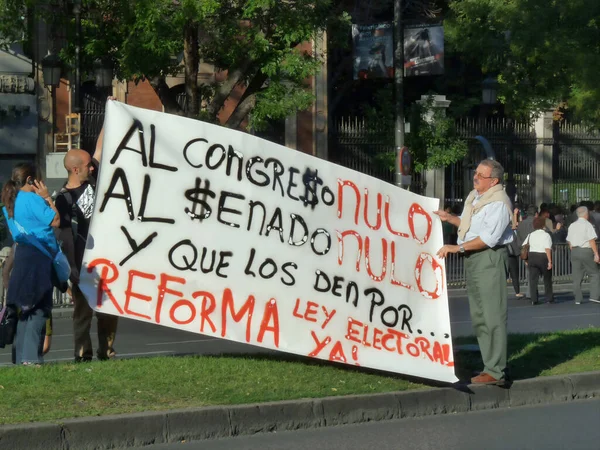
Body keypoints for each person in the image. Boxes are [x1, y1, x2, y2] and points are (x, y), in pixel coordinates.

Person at [435, 159, 513, 385]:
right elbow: (470, 228)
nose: (475, 177)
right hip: (474, 258)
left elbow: (488, 239)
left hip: (488, 258)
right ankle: (491, 365)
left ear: (494, 181)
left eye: (481, 175)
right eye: (475, 172)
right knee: (480, 317)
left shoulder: (498, 203)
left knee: (492, 315)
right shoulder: (476, 197)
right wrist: (450, 219)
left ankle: (496, 371)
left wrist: (456, 247)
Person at [55, 124, 118, 362]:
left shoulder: (92, 179)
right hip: (82, 265)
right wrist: (71, 270)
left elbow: (100, 148)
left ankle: (107, 351)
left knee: (109, 311)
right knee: (83, 313)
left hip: (105, 261)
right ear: (74, 169)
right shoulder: (63, 199)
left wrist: (107, 116)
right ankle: (82, 354)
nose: (92, 167)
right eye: (87, 165)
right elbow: (63, 236)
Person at [1, 163, 60, 365]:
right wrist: (46, 197)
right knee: (39, 309)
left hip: (23, 257)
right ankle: (31, 359)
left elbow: (16, 236)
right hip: (38, 258)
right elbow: (55, 221)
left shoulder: (10, 202)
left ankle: (21, 360)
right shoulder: (34, 199)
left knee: (25, 312)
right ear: (30, 180)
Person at [566, 206, 600, 305]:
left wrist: (572, 247)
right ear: (587, 214)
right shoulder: (588, 225)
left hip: (575, 251)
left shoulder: (572, 225)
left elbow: (569, 239)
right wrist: (596, 253)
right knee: (594, 273)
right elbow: (591, 240)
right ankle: (594, 296)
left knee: (577, 276)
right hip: (586, 250)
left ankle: (577, 298)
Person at [524, 217, 554, 305]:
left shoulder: (530, 234)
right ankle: (549, 298)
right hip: (543, 257)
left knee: (533, 279)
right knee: (547, 279)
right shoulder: (546, 235)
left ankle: (534, 299)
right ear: (543, 225)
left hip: (532, 256)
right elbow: (547, 248)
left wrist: (526, 259)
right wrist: (550, 261)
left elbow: (525, 245)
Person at [506, 206, 524, 298]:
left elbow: (519, 224)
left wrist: (517, 215)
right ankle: (517, 292)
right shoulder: (509, 230)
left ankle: (517, 292)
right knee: (512, 274)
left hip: (512, 254)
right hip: (510, 255)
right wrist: (515, 214)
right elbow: (514, 224)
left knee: (514, 275)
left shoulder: (514, 230)